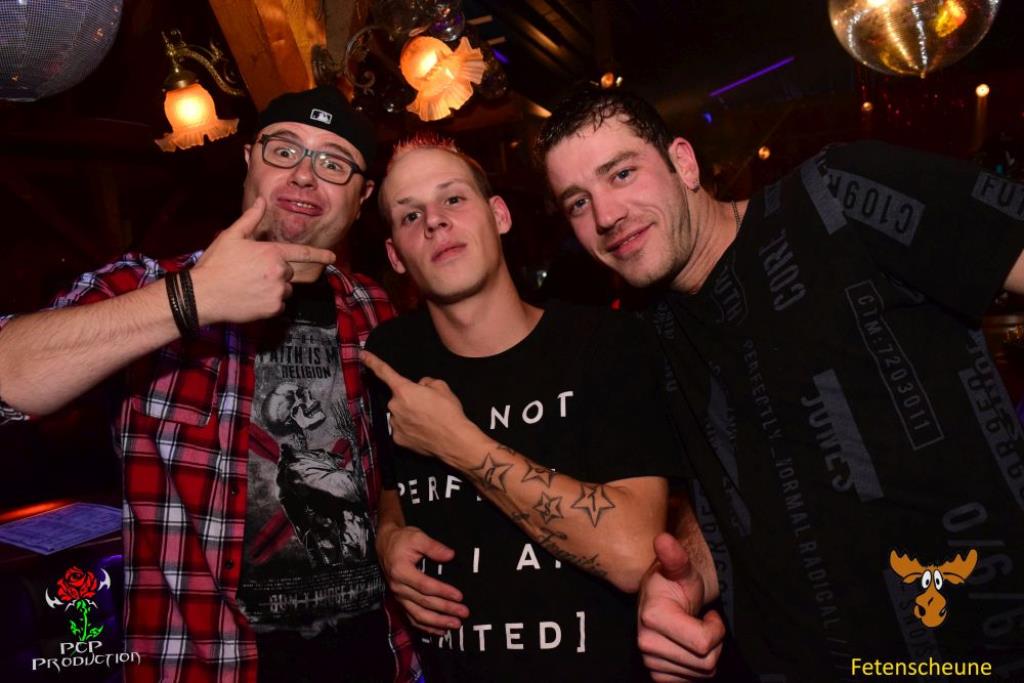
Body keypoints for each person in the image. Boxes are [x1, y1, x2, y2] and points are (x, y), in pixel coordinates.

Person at [535, 86, 1024, 681]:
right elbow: (730, 500)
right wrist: (683, 582)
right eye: (578, 202)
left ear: (683, 163)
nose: (606, 215)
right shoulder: (645, 337)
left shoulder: (838, 193)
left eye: (622, 173)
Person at [0, 86, 419, 683]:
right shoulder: (148, 285)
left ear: (361, 197)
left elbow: (388, 473)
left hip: (373, 656)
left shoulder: (374, 311)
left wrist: (394, 527)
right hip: (208, 664)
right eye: (284, 151)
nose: (304, 175)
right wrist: (192, 299)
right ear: (248, 159)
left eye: (334, 163)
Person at [361, 134, 684, 681]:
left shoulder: (603, 344)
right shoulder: (392, 358)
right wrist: (388, 537)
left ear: (500, 216)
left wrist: (458, 443)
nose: (434, 222)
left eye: (453, 198)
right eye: (410, 215)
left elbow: (632, 553)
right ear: (396, 255)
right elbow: (393, 495)